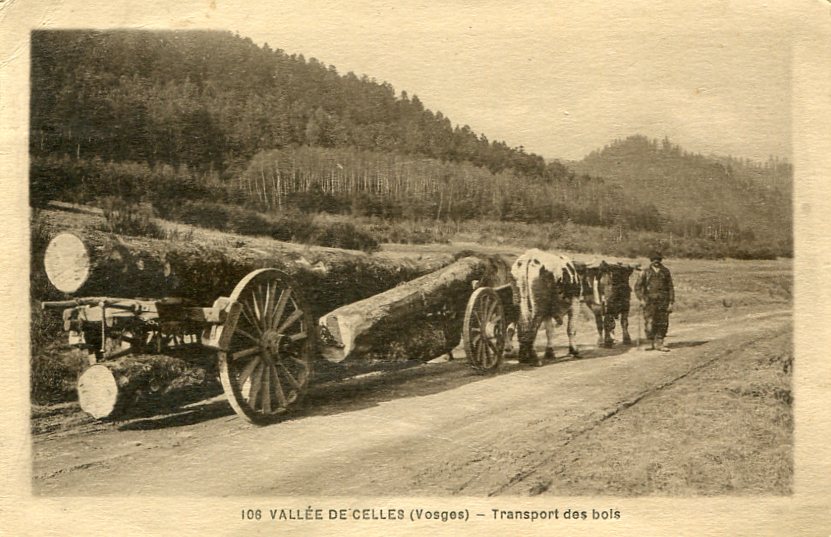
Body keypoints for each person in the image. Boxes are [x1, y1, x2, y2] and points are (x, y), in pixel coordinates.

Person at [634, 252, 675, 352]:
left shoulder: (665, 271)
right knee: (649, 322)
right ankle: (650, 342)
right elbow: (637, 287)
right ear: (651, 260)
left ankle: (659, 343)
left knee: (662, 322)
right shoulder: (645, 272)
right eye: (654, 259)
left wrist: (671, 302)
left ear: (661, 260)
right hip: (649, 302)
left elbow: (670, 287)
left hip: (663, 301)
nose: (656, 261)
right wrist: (641, 299)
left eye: (658, 259)